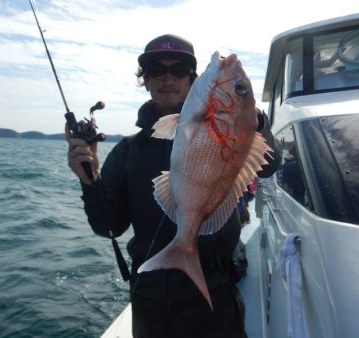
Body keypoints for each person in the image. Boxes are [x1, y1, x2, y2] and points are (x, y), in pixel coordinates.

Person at [66, 34, 280, 338]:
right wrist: (89, 182)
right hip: (150, 303)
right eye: (157, 70)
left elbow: (270, 164)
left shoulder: (235, 126)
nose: (168, 78)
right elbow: (109, 227)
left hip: (214, 294)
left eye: (178, 70)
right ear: (146, 80)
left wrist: (250, 118)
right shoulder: (127, 151)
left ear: (193, 79)